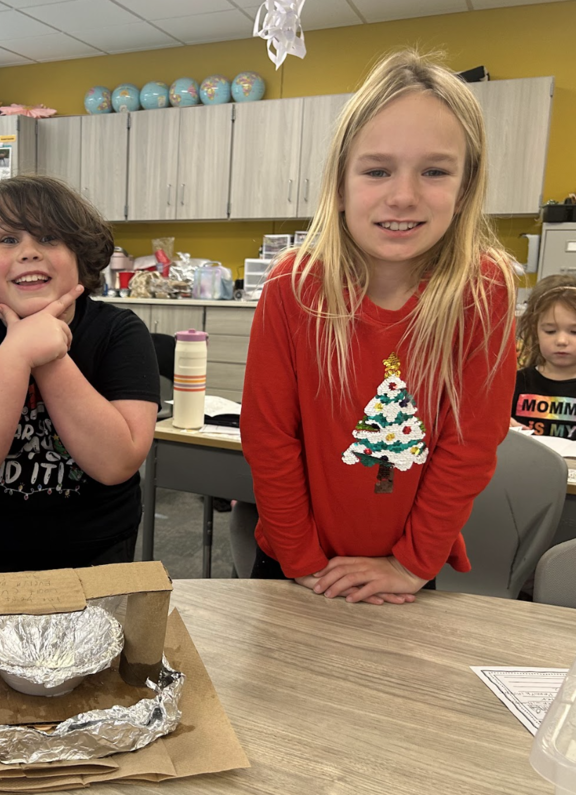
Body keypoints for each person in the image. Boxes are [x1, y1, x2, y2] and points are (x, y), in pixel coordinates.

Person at [239, 50, 517, 606]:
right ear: (340, 186)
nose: (403, 196)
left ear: (464, 190)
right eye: (377, 170)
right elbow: (270, 439)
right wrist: (304, 563)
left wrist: (412, 564)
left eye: (435, 171)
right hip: (295, 565)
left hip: (407, 572)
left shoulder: (484, 291)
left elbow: (470, 446)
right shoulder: (292, 288)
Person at [0, 175, 160, 576]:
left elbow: (117, 462)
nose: (29, 253)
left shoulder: (120, 332)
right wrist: (17, 350)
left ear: (79, 254)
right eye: (8, 240)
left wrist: (48, 354)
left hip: (96, 558)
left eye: (50, 238)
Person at [512, 274, 576, 439]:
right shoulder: (515, 383)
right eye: (550, 331)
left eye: (574, 332)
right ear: (535, 330)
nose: (561, 341)